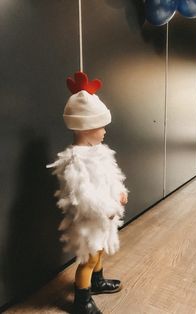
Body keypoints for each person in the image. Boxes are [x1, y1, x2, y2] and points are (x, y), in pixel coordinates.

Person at [47, 72, 128, 314]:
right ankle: (82, 301)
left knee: (100, 251)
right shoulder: (76, 161)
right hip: (90, 221)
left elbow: (112, 175)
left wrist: (120, 191)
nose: (104, 131)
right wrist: (109, 207)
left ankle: (97, 281)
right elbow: (83, 196)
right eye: (101, 126)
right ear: (86, 127)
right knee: (88, 258)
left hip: (105, 218)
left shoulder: (100, 151)